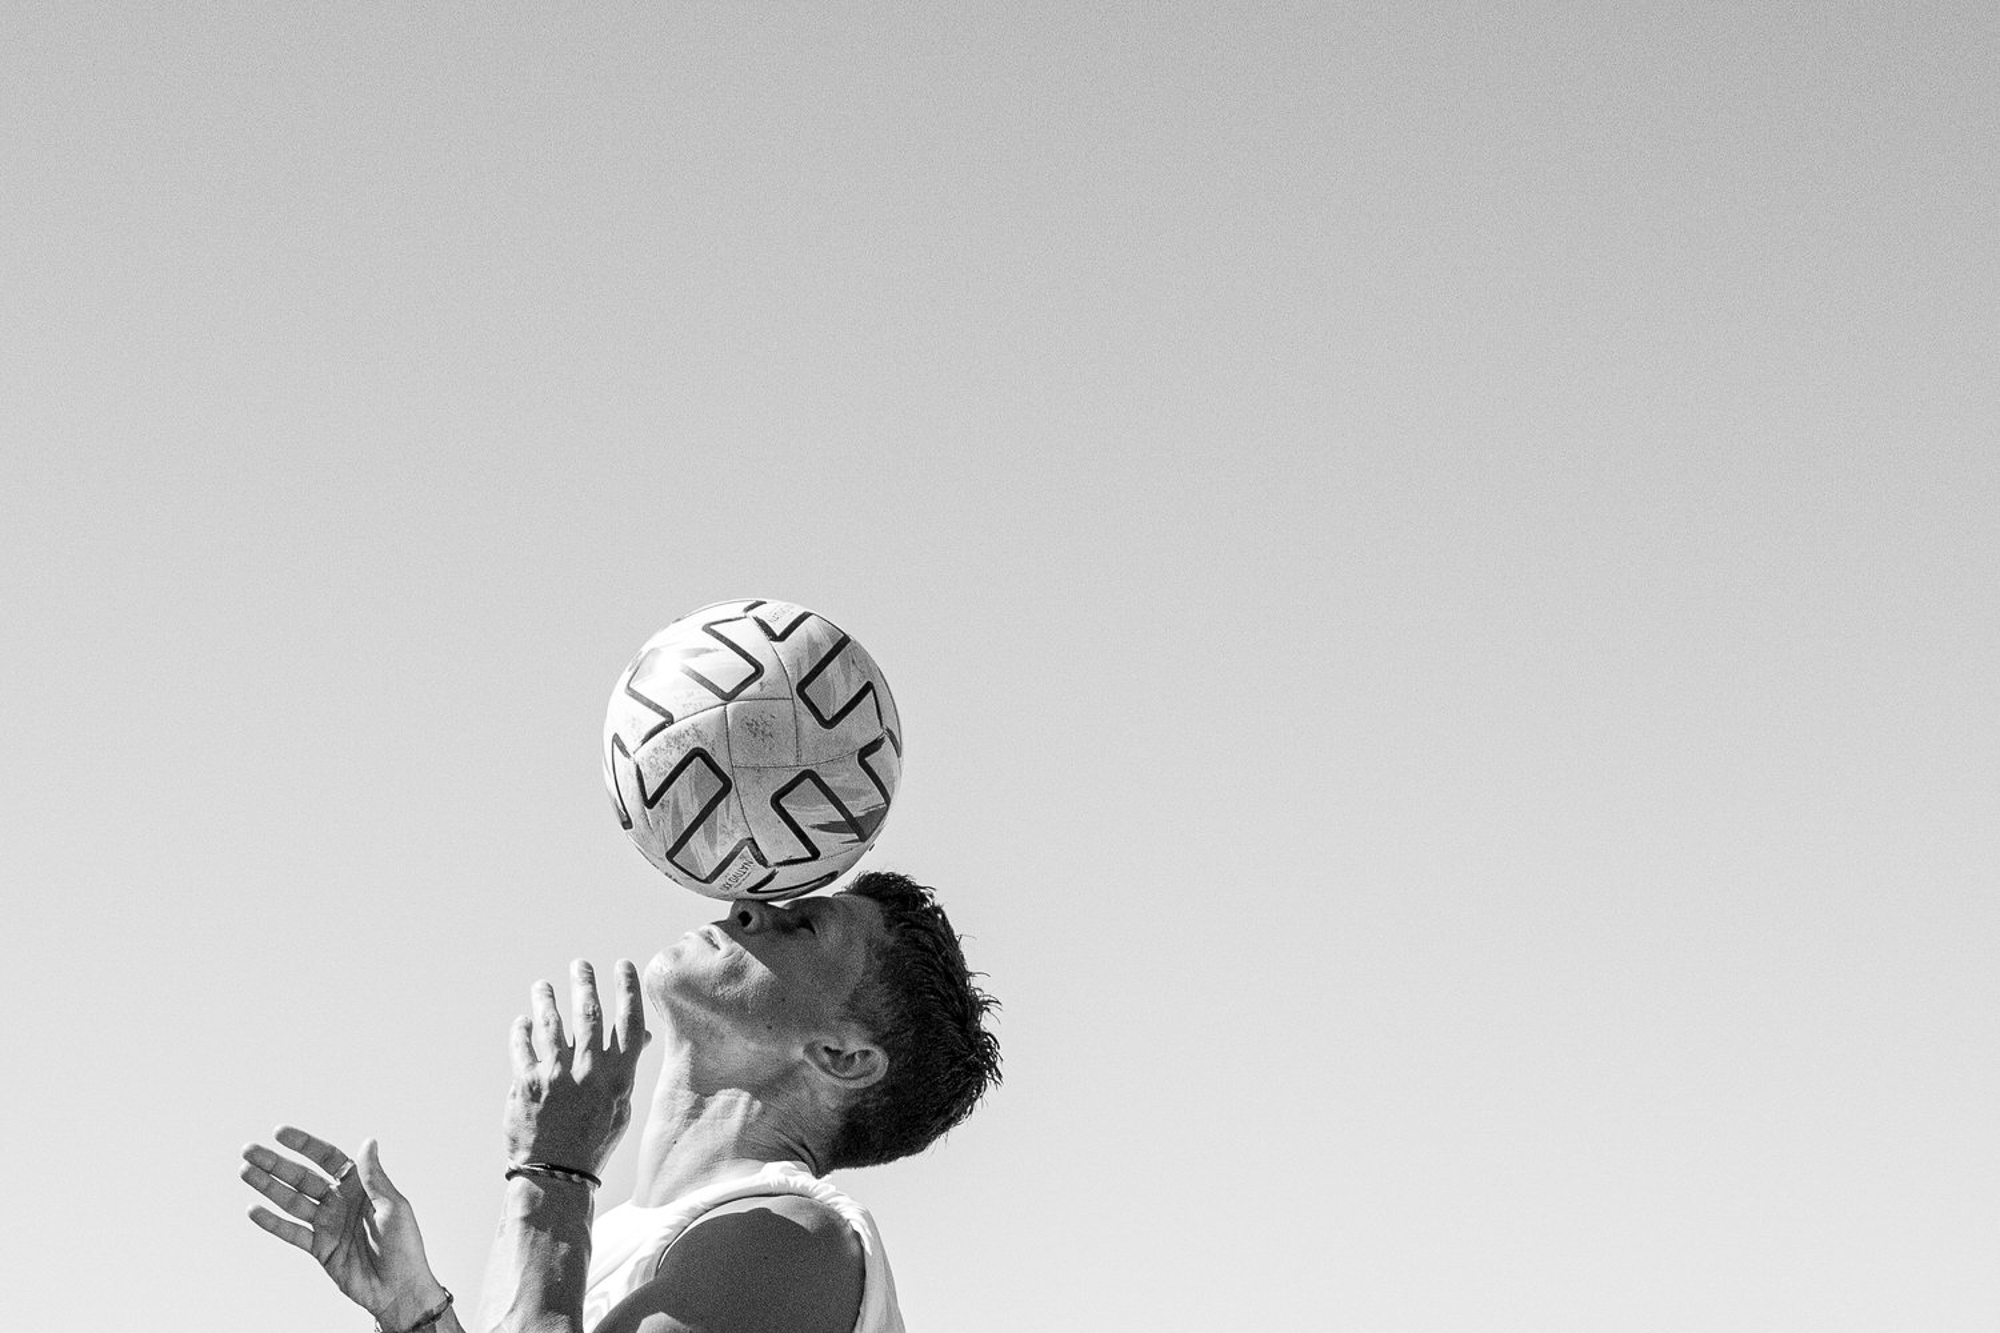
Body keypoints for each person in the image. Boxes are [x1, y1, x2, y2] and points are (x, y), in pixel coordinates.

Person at [239, 870, 1001, 1333]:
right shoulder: (635, 1237)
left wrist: (550, 1171)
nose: (746, 907)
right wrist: (416, 1313)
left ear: (843, 1055)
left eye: (799, 924)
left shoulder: (795, 1240)